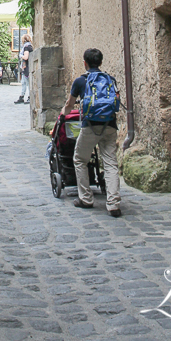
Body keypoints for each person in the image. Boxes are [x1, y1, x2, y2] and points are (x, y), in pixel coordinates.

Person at [60, 47, 122, 217]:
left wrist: (63, 114)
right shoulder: (110, 79)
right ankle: (113, 203)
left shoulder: (81, 81)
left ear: (85, 63)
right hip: (110, 125)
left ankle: (86, 198)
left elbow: (70, 104)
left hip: (90, 126)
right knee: (110, 163)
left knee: (80, 159)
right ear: (100, 62)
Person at [15, 34, 33, 104]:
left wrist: (20, 56)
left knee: (27, 83)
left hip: (26, 67)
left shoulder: (26, 47)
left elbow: (26, 57)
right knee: (23, 82)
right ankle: (21, 96)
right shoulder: (30, 46)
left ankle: (29, 97)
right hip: (27, 67)